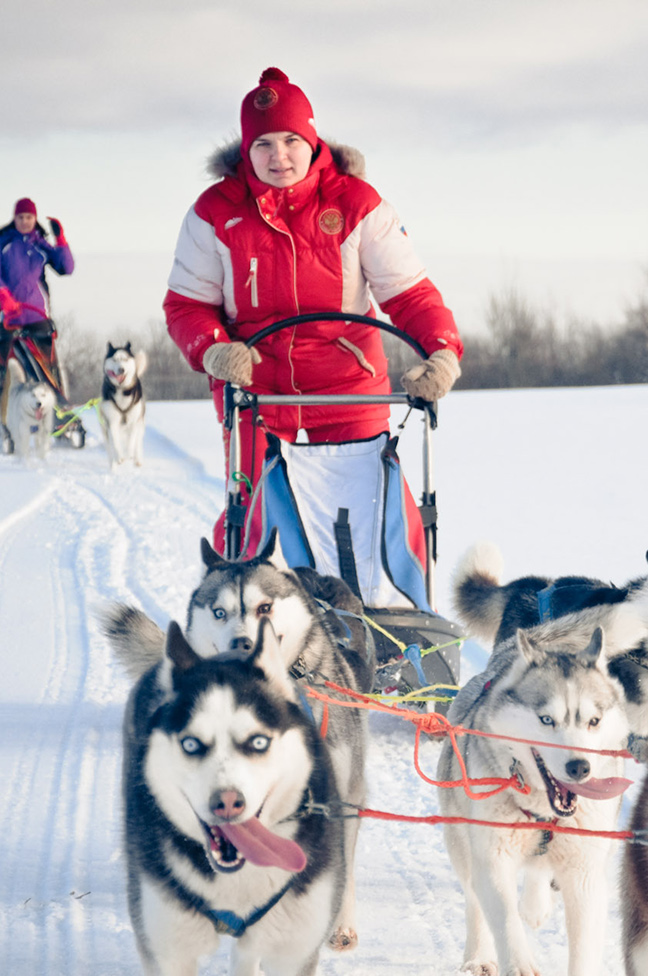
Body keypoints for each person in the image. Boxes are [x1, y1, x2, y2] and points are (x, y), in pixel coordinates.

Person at [164, 67, 462, 607]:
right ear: (245, 151)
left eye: (291, 140)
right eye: (264, 144)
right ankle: (244, 624)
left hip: (348, 389)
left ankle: (387, 619)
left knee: (372, 516)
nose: (279, 155)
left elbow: (410, 294)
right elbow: (186, 305)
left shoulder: (356, 204)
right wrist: (213, 347)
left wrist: (440, 352)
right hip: (257, 394)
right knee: (252, 515)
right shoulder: (215, 213)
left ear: (313, 139)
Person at [0, 197, 74, 438]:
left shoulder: (40, 244)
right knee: (5, 372)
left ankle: (61, 422)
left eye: (29, 217)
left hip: (37, 315)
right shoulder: (1, 244)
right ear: (15, 219)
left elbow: (66, 267)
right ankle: (0, 426)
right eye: (21, 217)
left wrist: (60, 240)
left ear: (35, 219)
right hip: (9, 317)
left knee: (48, 370)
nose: (25, 221)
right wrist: (4, 296)